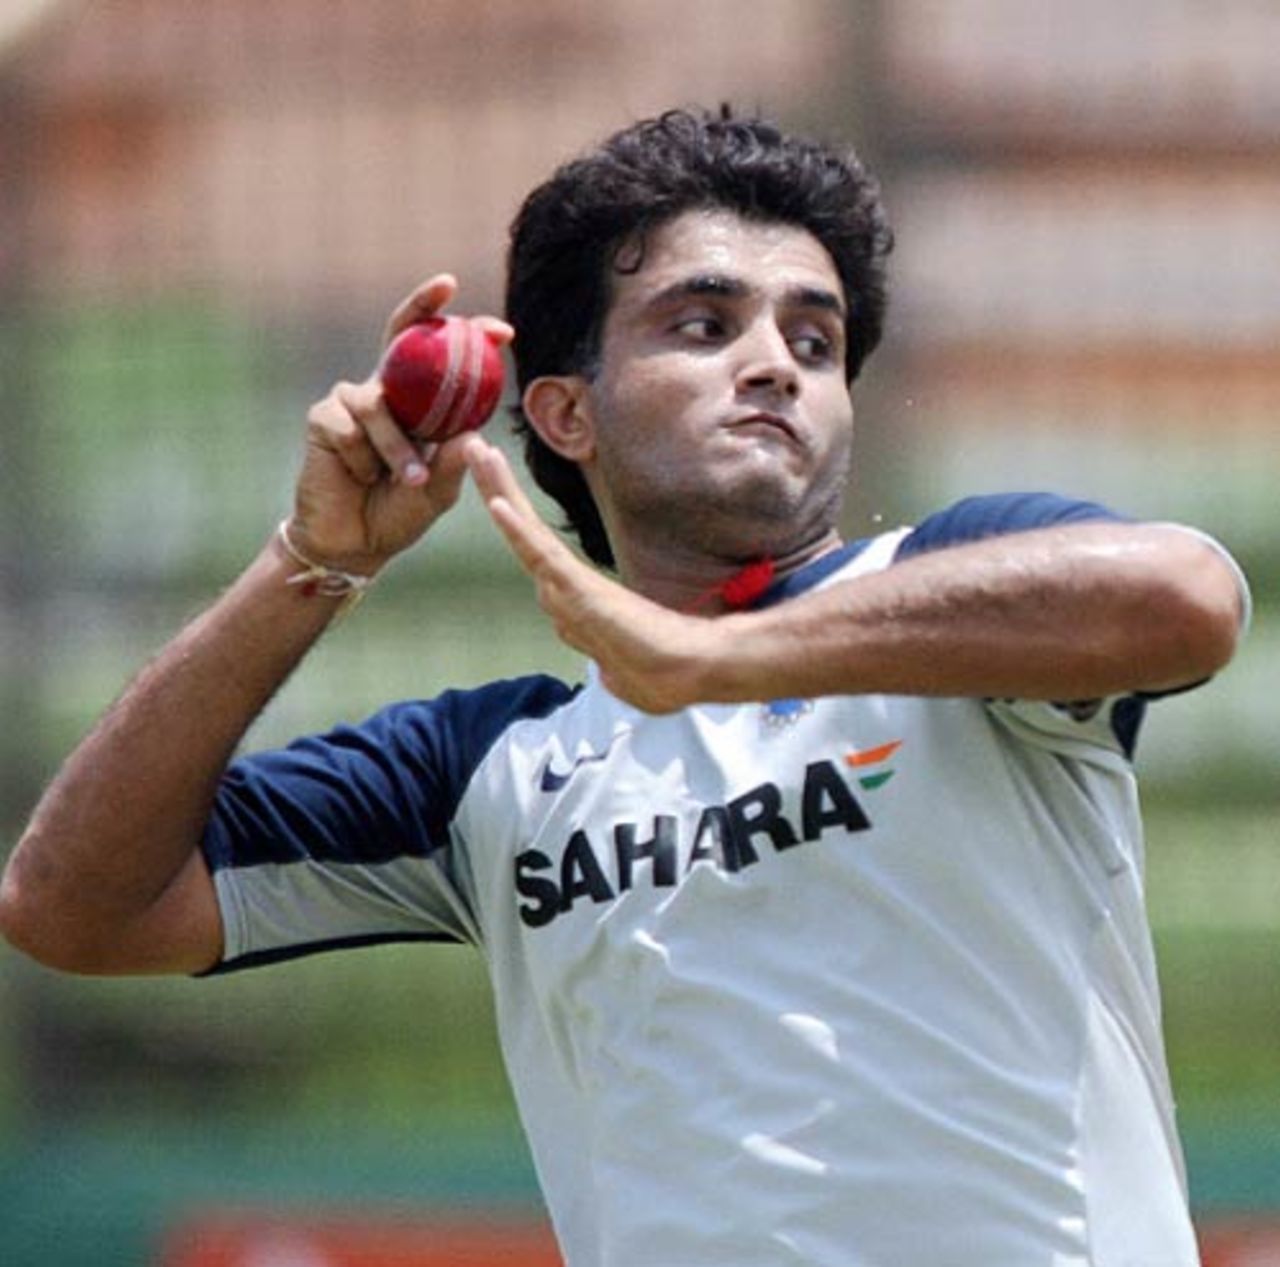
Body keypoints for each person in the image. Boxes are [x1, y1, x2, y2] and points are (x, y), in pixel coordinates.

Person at [0, 107, 1250, 1266]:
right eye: (703, 327)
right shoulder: (484, 769)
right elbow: (72, 908)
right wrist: (309, 562)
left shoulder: (954, 593)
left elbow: (1183, 598)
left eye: (813, 340)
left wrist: (716, 660)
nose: (773, 364)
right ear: (563, 414)